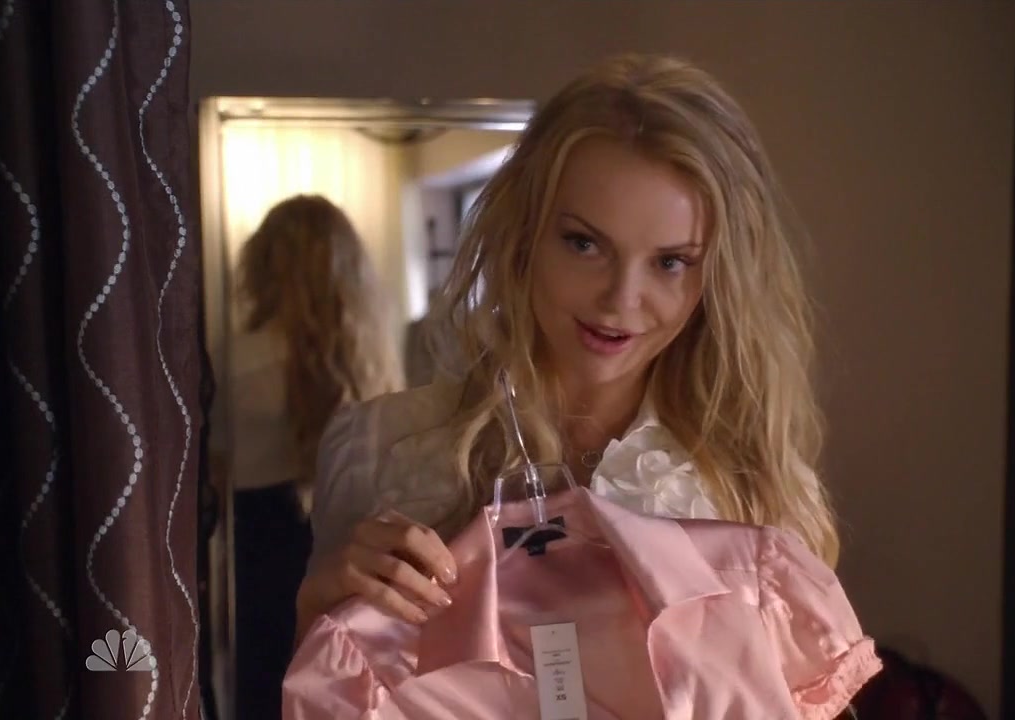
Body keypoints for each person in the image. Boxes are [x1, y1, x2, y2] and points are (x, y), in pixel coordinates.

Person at [295, 54, 838, 639]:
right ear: (524, 234)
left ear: (719, 278)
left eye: (671, 262)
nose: (620, 299)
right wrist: (319, 604)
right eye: (584, 244)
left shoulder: (761, 494)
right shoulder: (379, 451)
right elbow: (324, 679)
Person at [218, 194, 403, 718]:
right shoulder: (370, 364)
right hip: (345, 546)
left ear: (262, 264)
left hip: (251, 545)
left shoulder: (231, 361)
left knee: (261, 687)